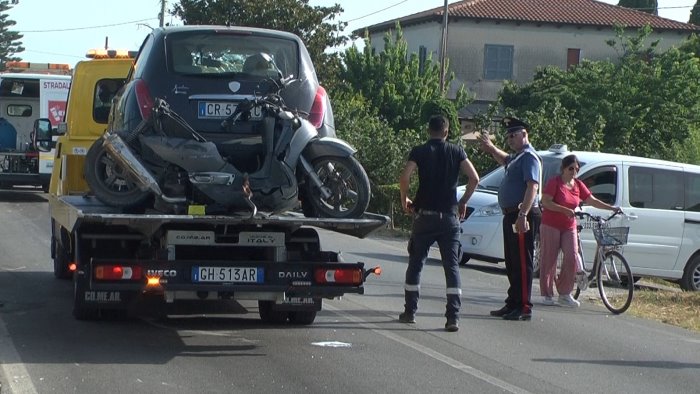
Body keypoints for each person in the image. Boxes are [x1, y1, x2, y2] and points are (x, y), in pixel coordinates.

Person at [399, 114, 479, 332]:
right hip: (449, 218)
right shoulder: (456, 151)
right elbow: (474, 178)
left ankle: (410, 311)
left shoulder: (419, 151)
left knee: (416, 263)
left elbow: (405, 177)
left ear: (428, 131)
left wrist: (404, 198)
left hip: (424, 216)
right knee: (451, 267)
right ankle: (453, 317)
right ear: (446, 131)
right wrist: (463, 201)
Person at [478, 117, 541, 321]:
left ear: (524, 134)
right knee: (512, 261)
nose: (510, 139)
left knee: (522, 261)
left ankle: (523, 306)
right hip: (511, 214)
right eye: (508, 136)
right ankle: (513, 302)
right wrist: (491, 148)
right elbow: (504, 159)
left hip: (522, 214)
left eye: (513, 135)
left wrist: (523, 215)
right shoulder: (517, 157)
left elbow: (533, 186)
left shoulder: (530, 157)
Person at [539, 154, 621, 307]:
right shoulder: (554, 182)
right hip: (551, 224)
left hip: (569, 225)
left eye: (576, 169)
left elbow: (592, 200)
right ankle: (547, 294)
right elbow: (546, 202)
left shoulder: (578, 184)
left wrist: (612, 208)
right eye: (571, 168)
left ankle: (564, 293)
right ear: (563, 168)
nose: (574, 172)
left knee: (572, 257)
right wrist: (563, 209)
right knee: (549, 259)